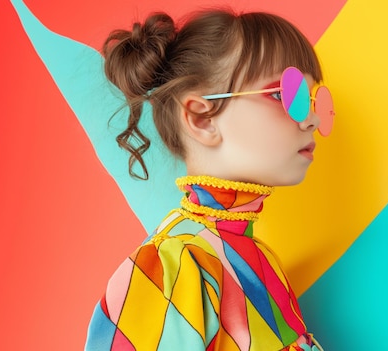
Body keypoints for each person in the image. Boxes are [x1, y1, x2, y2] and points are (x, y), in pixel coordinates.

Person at [85, 7, 334, 351]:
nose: (311, 120)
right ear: (202, 119)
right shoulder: (172, 266)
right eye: (284, 94)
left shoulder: (258, 258)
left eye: (312, 99)